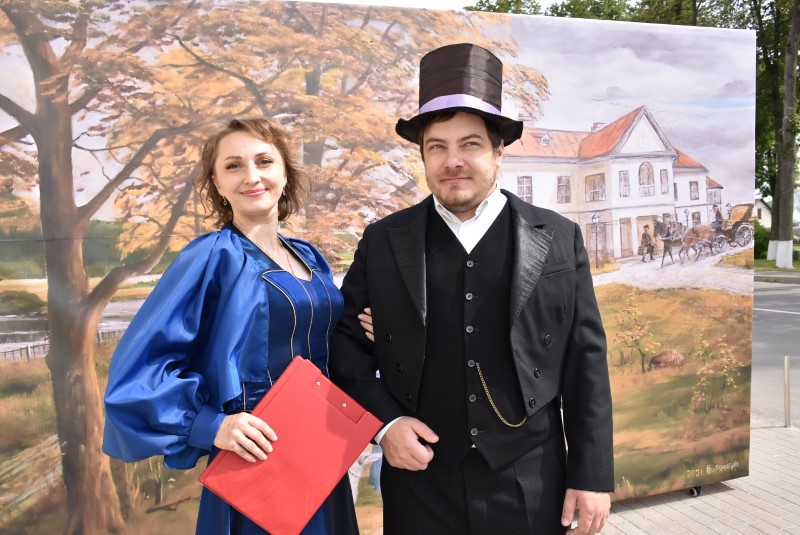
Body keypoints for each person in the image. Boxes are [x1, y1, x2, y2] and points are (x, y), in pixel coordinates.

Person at [329, 44, 613, 535]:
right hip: (420, 484)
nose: (452, 161)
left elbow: (585, 361)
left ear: (499, 150)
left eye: (470, 144)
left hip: (530, 480)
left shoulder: (557, 237)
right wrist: (385, 424)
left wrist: (591, 476)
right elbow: (345, 346)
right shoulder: (382, 241)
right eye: (437, 147)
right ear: (423, 155)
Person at [103, 117, 359, 535]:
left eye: (264, 161)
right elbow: (136, 372)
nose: (251, 176)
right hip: (258, 454)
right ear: (217, 184)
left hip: (319, 451)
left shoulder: (309, 256)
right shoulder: (212, 256)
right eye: (233, 166)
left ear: (285, 173)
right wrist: (212, 425)